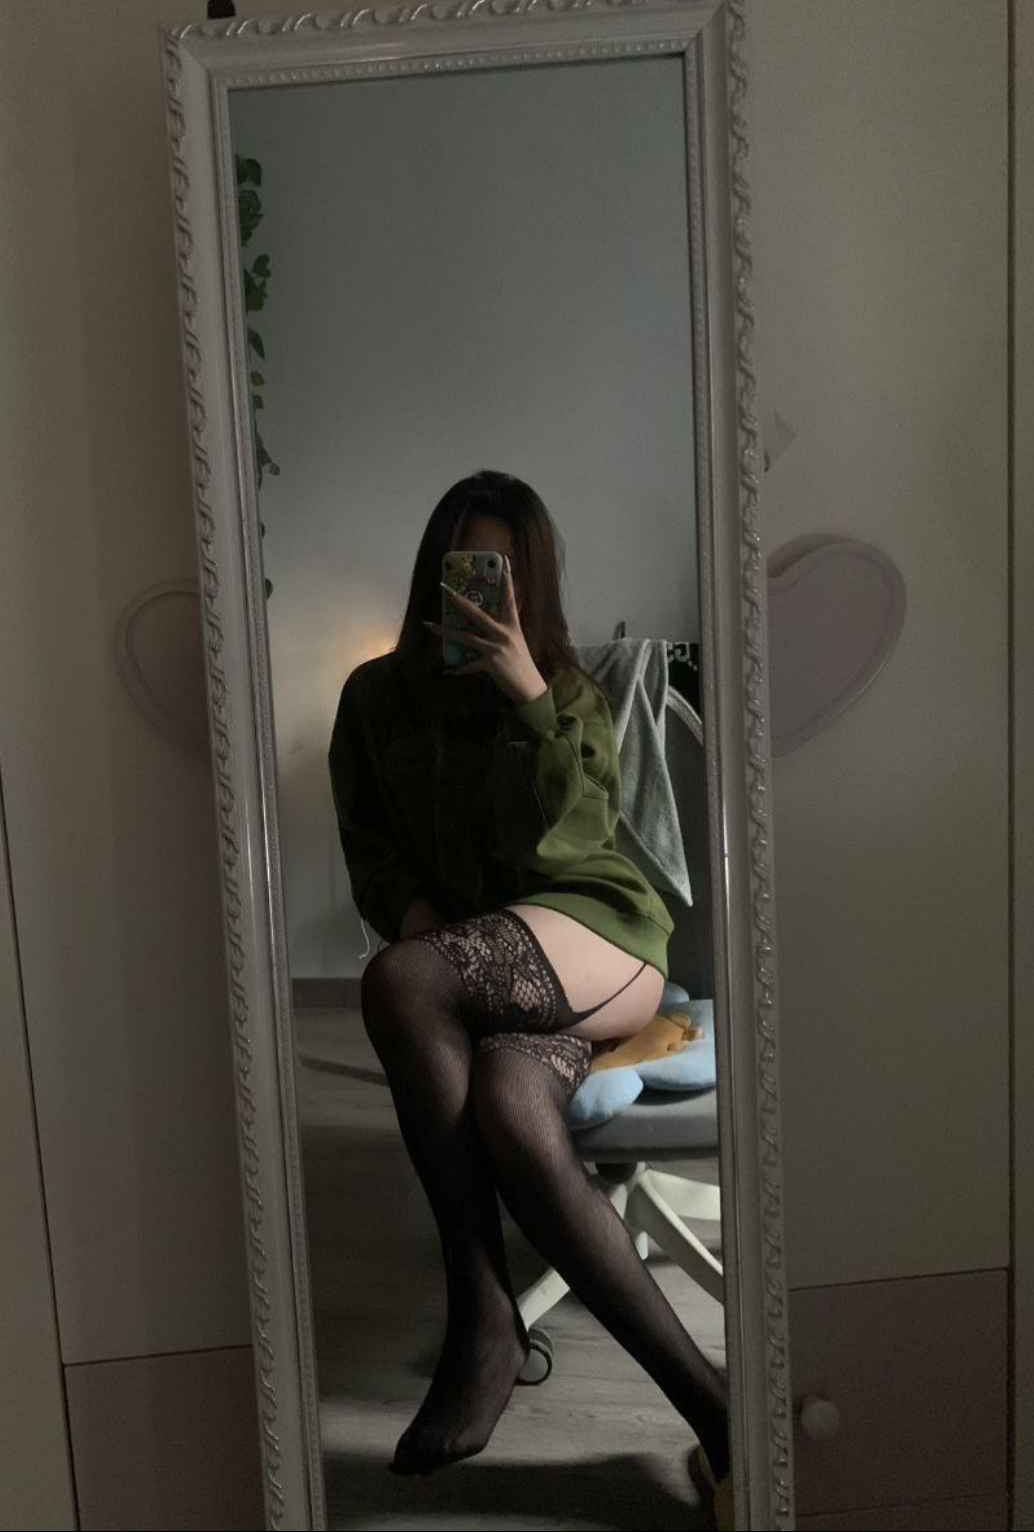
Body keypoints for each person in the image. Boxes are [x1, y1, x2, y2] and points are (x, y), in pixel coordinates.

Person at [327, 470, 730, 1487]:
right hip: (485, 965)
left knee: (398, 984)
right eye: (462, 562)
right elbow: (371, 849)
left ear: (529, 584)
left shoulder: (571, 697)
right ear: (434, 569)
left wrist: (528, 701)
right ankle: (719, 1410)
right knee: (510, 1104)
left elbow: (567, 846)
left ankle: (482, 1314)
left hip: (601, 938)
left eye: (499, 571)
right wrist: (420, 920)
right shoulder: (372, 697)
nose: (477, 587)